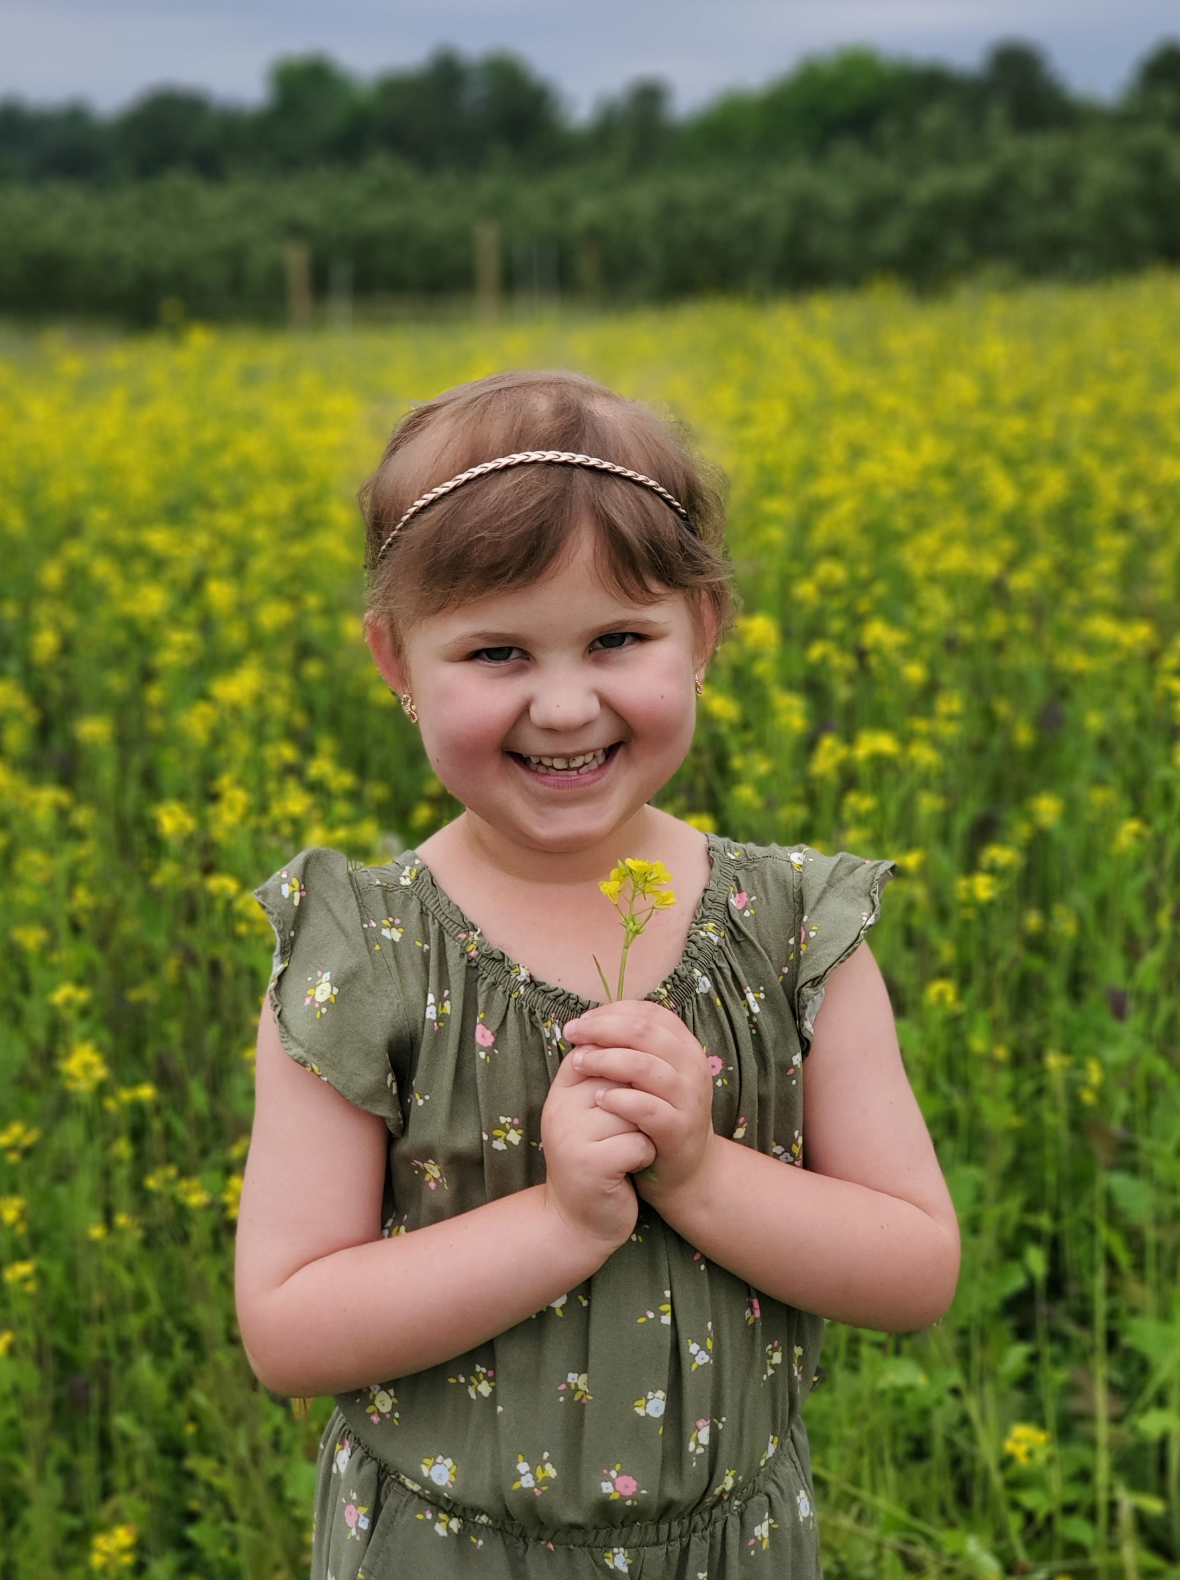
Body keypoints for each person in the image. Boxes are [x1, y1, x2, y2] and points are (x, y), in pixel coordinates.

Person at [236, 369, 960, 1579]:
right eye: (496, 650)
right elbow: (290, 1327)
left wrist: (696, 1165)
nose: (564, 704)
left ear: (706, 634)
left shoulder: (790, 927)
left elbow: (913, 1267)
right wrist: (564, 1218)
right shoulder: (359, 948)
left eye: (618, 637)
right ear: (393, 659)